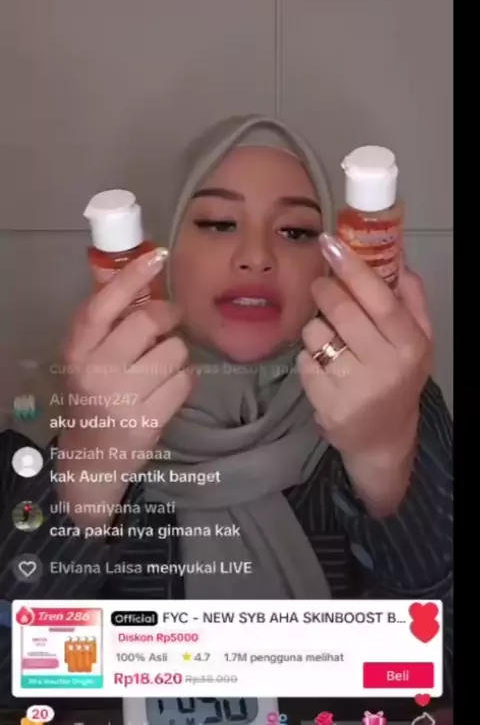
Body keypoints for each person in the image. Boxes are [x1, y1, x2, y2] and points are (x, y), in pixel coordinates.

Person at [0, 116, 453, 710]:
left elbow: (434, 678)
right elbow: (15, 681)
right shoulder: (62, 423)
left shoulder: (403, 403)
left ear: (329, 263)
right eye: (218, 223)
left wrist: (385, 456)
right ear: (162, 254)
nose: (256, 257)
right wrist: (89, 467)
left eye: (295, 232)